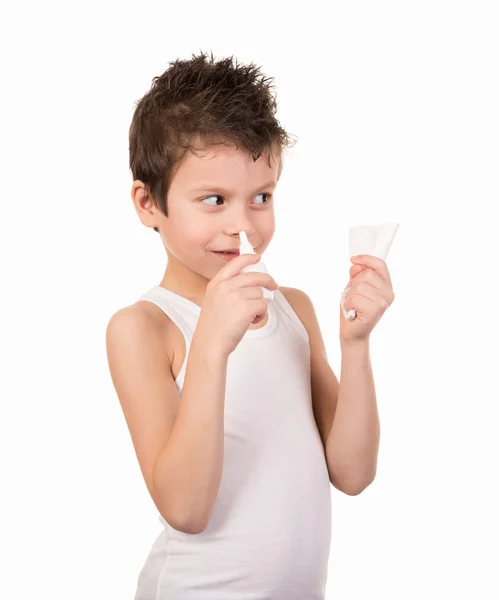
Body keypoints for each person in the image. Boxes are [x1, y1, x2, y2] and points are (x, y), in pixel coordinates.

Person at [105, 50, 395, 600]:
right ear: (149, 203)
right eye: (213, 200)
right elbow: (186, 509)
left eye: (261, 197)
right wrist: (211, 344)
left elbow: (353, 474)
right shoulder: (144, 328)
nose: (243, 227)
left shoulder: (294, 309)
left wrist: (355, 343)